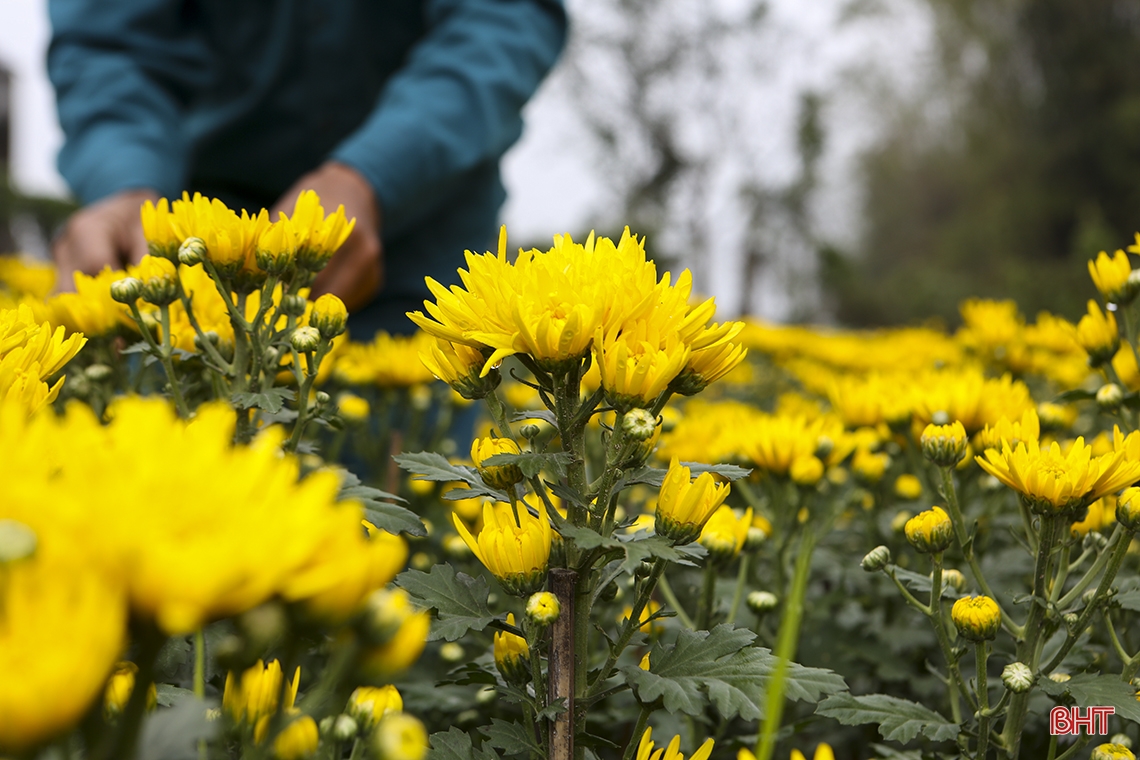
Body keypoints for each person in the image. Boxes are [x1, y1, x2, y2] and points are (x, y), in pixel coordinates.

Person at [47, 0, 567, 336]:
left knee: (413, 489)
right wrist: (127, 182)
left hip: (420, 257)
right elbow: (107, 45)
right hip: (199, 265)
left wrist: (375, 173)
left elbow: (501, 19)